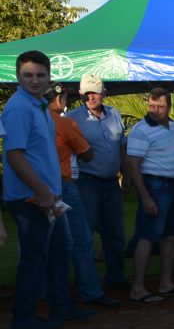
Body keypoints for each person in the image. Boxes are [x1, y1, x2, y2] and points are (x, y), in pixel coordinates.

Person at [3, 51, 96, 329]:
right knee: (35, 257)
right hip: (31, 197)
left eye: (40, 75)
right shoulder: (19, 108)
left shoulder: (40, 105)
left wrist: (49, 193)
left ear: (49, 77)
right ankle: (23, 318)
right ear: (18, 77)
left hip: (49, 195)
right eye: (28, 75)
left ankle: (61, 306)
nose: (34, 80)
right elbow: (15, 155)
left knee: (60, 249)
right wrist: (42, 192)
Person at [46, 84, 119, 308]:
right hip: (66, 184)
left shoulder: (36, 120)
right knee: (80, 240)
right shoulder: (65, 122)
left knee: (50, 242)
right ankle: (89, 291)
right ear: (59, 100)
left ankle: (48, 292)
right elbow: (87, 154)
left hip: (41, 186)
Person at [125, 88, 174, 303]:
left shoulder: (173, 125)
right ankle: (138, 288)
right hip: (155, 185)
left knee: (172, 233)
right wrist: (145, 197)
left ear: (169, 107)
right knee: (148, 236)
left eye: (160, 107)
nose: (154, 110)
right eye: (151, 106)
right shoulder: (141, 130)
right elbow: (133, 165)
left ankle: (165, 282)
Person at [67, 74, 128, 288]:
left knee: (116, 234)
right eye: (87, 93)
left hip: (111, 182)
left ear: (104, 93)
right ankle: (86, 283)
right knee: (84, 235)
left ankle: (115, 278)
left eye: (95, 92)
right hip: (86, 182)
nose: (91, 97)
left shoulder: (114, 113)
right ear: (80, 94)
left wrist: (126, 175)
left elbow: (121, 147)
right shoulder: (73, 118)